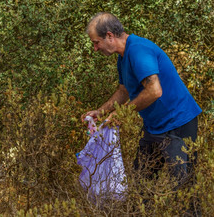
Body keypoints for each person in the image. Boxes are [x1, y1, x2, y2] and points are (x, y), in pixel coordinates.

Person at [81, 12, 202, 209]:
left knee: (184, 189)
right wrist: (100, 111)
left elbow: (154, 91)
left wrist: (121, 114)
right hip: (154, 128)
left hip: (178, 125)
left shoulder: (138, 50)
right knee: (141, 184)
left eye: (96, 42)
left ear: (110, 36)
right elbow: (124, 90)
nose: (95, 49)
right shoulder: (122, 57)